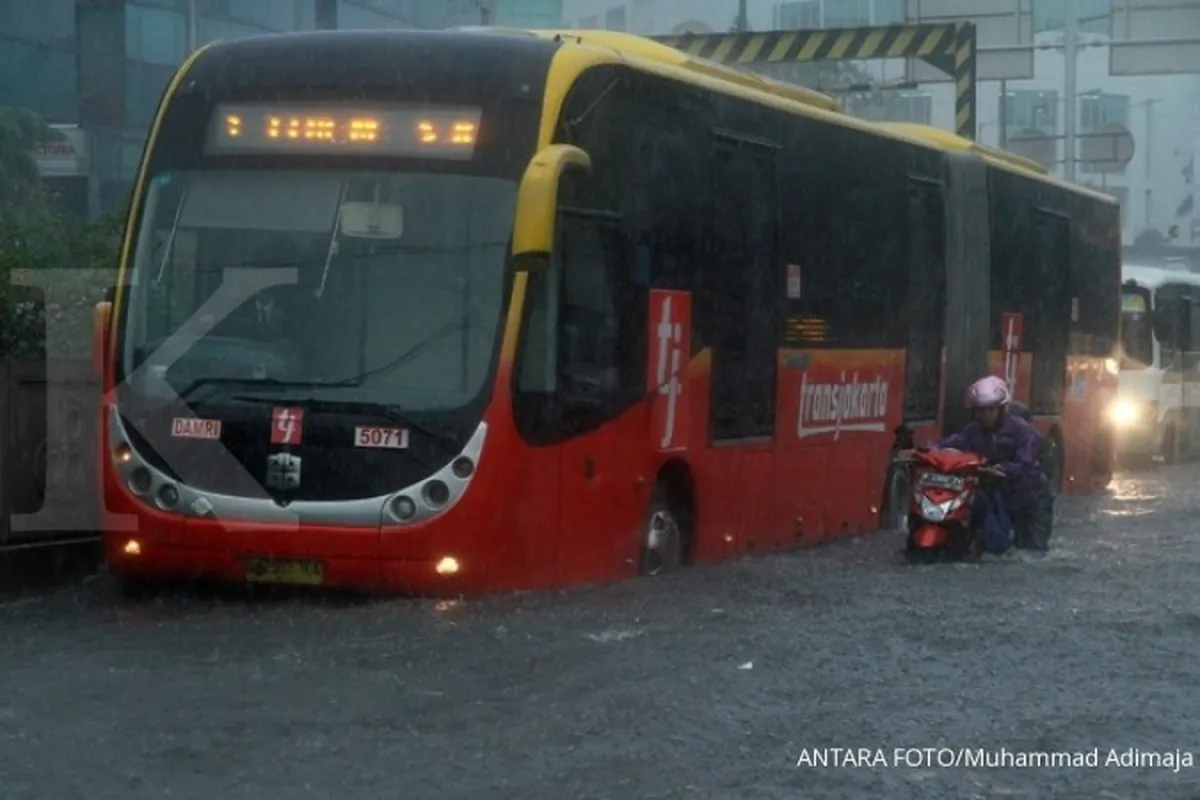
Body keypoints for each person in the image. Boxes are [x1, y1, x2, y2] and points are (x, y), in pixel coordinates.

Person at [900, 375, 1043, 555]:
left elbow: (1026, 463)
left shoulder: (1024, 433)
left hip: (1021, 493)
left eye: (990, 410)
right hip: (988, 486)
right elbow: (950, 443)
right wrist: (922, 451)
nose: (985, 415)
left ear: (1001, 409)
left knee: (1032, 548)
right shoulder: (973, 431)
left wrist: (1004, 469)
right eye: (980, 410)